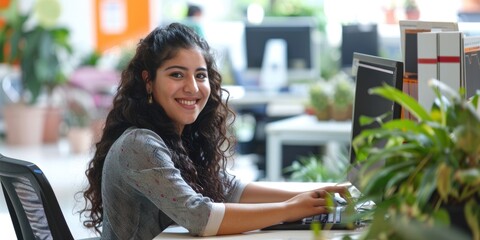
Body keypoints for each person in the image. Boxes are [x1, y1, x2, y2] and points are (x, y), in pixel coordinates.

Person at [80, 22, 347, 239]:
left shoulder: (178, 136)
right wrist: (288, 210)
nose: (193, 88)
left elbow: (229, 188)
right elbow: (201, 217)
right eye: (176, 74)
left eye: (200, 75)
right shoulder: (139, 143)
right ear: (148, 81)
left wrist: (313, 195)